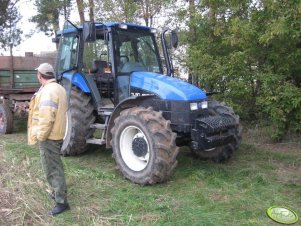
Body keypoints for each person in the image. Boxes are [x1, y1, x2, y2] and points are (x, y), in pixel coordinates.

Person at [27, 63, 70, 216]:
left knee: (52, 169)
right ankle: (57, 192)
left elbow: (46, 117)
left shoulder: (48, 91)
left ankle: (61, 202)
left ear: (40, 75)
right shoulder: (59, 88)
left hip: (49, 136)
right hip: (57, 134)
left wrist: (41, 136)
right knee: (54, 166)